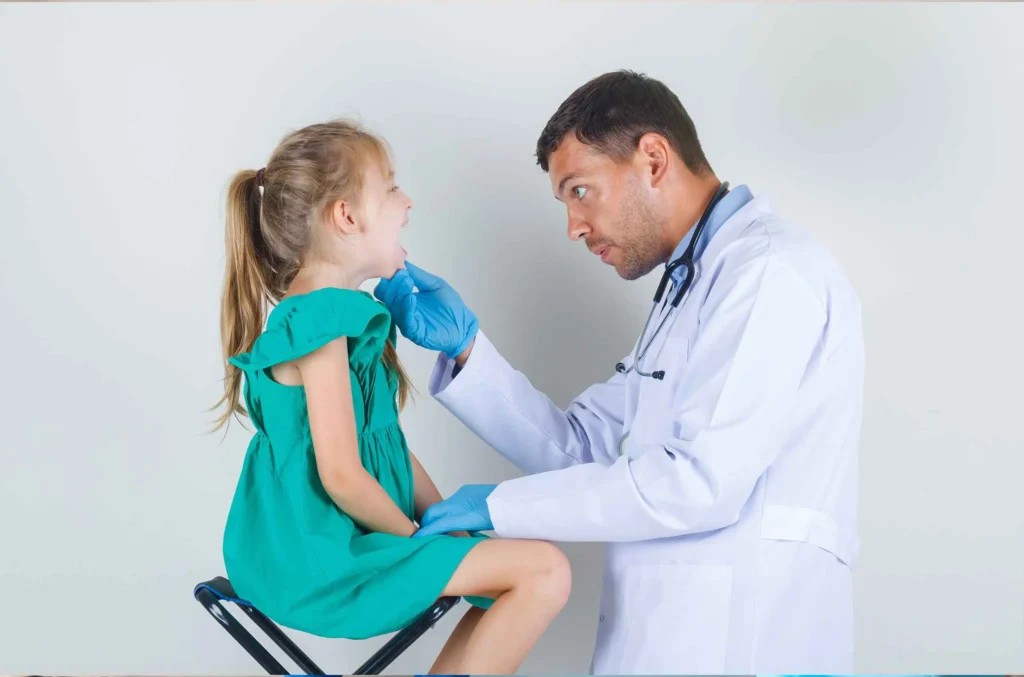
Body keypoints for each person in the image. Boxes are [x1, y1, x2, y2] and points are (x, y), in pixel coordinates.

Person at [373, 70, 865, 674]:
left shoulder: (766, 273)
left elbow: (698, 484)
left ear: (653, 159)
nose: (574, 227)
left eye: (580, 191)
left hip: (748, 641)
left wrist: (498, 506)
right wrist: (470, 351)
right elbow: (583, 449)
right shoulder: (690, 289)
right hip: (671, 640)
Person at [212, 119, 571, 675]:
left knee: (521, 573)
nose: (408, 202)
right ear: (347, 217)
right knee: (544, 570)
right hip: (316, 557)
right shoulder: (319, 324)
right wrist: (415, 539)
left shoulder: (339, 320)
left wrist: (441, 520)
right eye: (391, 188)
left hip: (335, 542)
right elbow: (342, 475)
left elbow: (386, 447)